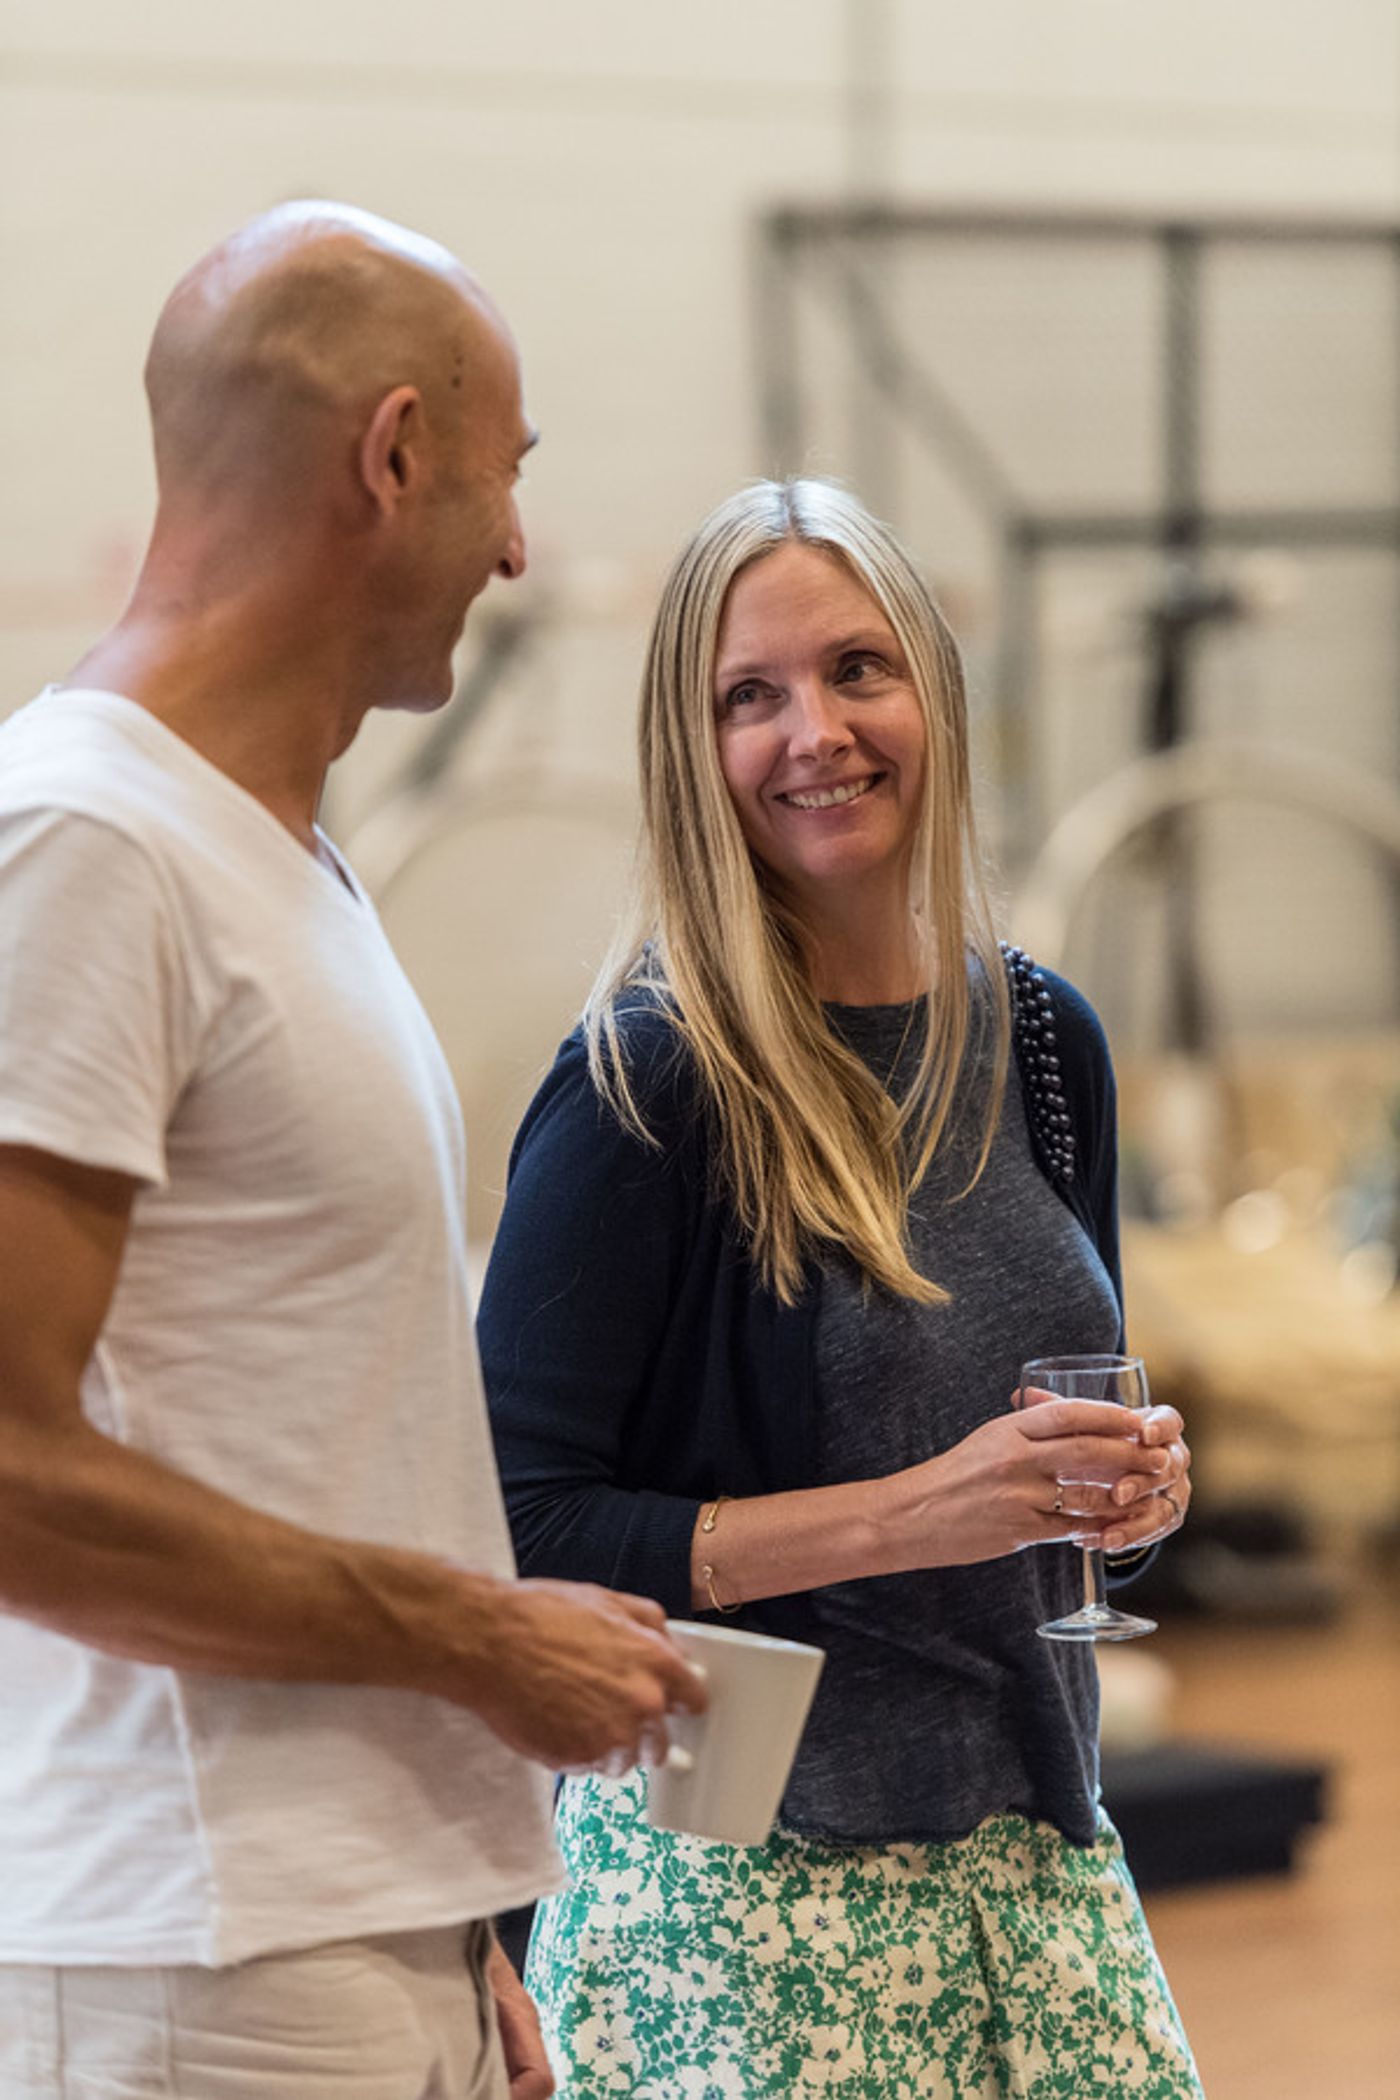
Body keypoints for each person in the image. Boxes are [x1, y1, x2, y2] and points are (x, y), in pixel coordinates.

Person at [0, 202, 704, 2100]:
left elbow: (309, 1420)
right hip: (183, 1954)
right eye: (504, 477)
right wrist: (480, 1642)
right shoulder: (84, 844)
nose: (517, 547)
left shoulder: (282, 864)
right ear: (393, 455)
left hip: (345, 1937)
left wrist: (448, 1912)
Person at [479, 479, 1203, 2097]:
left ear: (930, 692)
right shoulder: (647, 1085)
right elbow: (519, 1525)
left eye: (857, 670)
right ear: (697, 750)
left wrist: (1133, 1493)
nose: (818, 731)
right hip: (743, 1903)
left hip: (1034, 1858)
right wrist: (912, 1513)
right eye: (754, 695)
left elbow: (1069, 1409)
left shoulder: (1038, 1038)